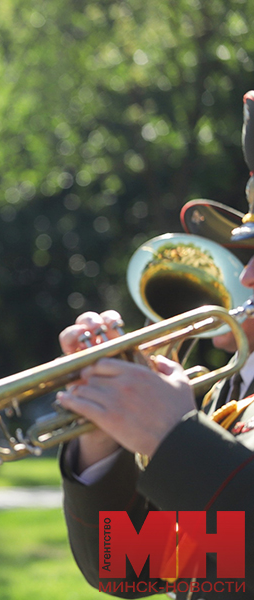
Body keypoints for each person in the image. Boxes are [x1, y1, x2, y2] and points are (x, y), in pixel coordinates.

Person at [55, 199, 254, 598]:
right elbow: (134, 567)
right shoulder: (225, 394)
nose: (245, 277)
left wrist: (173, 438)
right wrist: (102, 439)